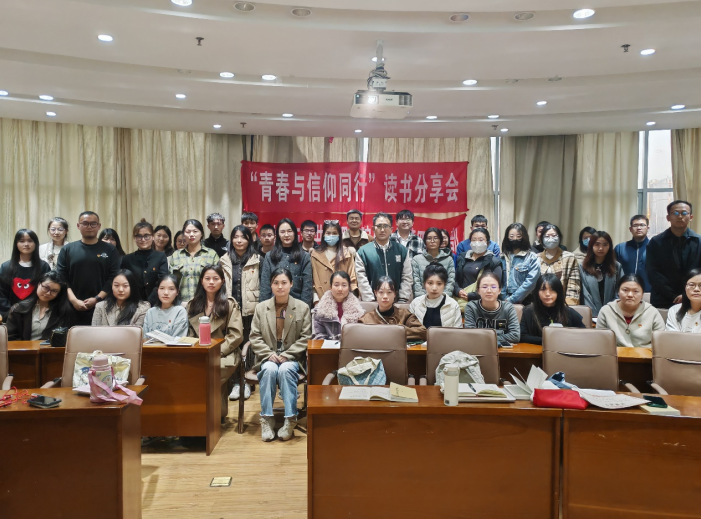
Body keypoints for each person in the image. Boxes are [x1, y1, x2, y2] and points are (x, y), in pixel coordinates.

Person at [250, 268, 311, 441]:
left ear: (291, 284)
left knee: (285, 369)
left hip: (292, 357)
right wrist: (269, 354)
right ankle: (267, 418)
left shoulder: (302, 308)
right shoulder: (261, 308)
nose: (280, 286)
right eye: (276, 283)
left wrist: (288, 354)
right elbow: (254, 336)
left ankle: (290, 419)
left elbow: (306, 337)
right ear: (271, 285)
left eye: (284, 282)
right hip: (268, 356)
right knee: (269, 369)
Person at [187, 265, 243, 418]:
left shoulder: (229, 304)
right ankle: (197, 415)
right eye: (207, 278)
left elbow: (236, 335)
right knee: (191, 372)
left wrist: (215, 351)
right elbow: (189, 334)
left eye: (215, 279)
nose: (211, 282)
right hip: (199, 352)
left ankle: (213, 415)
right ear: (201, 281)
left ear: (222, 281)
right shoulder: (192, 304)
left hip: (225, 352)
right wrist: (199, 352)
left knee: (212, 371)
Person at [56, 211, 121, 325]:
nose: (89, 227)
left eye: (93, 223)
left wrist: (97, 299)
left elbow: (113, 278)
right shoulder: (67, 249)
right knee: (74, 336)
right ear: (78, 226)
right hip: (72, 306)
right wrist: (74, 300)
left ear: (99, 226)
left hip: (103, 306)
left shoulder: (110, 250)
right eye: (85, 223)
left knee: (101, 336)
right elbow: (62, 278)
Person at [220, 225, 262, 401]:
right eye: (236, 237)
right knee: (233, 346)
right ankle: (236, 383)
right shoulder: (223, 260)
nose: (239, 240)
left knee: (248, 347)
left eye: (243, 237)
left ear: (249, 239)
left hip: (250, 310)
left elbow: (263, 285)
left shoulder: (258, 259)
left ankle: (246, 382)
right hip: (230, 311)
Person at [647, 200, 701, 309]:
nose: (680, 216)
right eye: (675, 213)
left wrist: (686, 294)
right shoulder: (656, 242)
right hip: (663, 299)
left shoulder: (699, 242)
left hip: (694, 297)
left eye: (684, 213)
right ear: (668, 217)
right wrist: (674, 295)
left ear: (691, 217)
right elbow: (653, 272)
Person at [356, 212, 413, 303]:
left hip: (397, 302)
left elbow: (407, 277)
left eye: (386, 226)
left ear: (391, 229)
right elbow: (361, 278)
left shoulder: (401, 250)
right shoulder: (363, 252)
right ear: (373, 229)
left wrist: (402, 299)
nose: (382, 230)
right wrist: (370, 301)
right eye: (379, 226)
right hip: (372, 302)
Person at [596, 274, 665, 348]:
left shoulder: (652, 312)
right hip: (615, 354)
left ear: (642, 294)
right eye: (625, 290)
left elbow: (661, 342)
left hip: (645, 354)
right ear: (618, 292)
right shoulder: (606, 311)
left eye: (636, 291)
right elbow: (600, 340)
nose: (630, 295)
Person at [259, 219, 313, 307]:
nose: (286, 235)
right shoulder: (269, 256)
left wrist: (304, 309)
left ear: (295, 233)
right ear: (278, 235)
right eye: (282, 232)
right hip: (273, 306)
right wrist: (264, 308)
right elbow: (265, 286)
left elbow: (307, 287)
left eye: (289, 231)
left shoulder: (304, 256)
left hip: (297, 306)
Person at [5, 271, 73, 341]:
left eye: (54, 291)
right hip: (22, 347)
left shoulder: (64, 311)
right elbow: (10, 337)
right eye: (46, 287)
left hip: (50, 348)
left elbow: (66, 338)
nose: (48, 293)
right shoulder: (19, 308)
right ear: (39, 284)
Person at [519, 274, 586, 345]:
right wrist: (548, 340)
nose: (547, 294)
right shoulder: (528, 311)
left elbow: (584, 334)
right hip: (537, 350)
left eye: (552, 289)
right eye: (543, 289)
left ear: (558, 292)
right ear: (537, 292)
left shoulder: (568, 312)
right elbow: (522, 336)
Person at [0, 229, 51, 322]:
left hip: (36, 316)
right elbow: (1, 293)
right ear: (16, 244)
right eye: (22, 241)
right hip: (10, 315)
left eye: (30, 241)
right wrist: (10, 312)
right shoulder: (6, 267)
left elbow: (47, 292)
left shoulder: (44, 267)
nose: (26, 244)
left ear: (36, 244)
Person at [359, 276, 426, 341]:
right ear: (375, 293)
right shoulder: (365, 319)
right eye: (381, 292)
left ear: (395, 294)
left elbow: (423, 332)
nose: (385, 296)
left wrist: (396, 331)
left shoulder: (404, 314)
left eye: (389, 292)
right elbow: (358, 337)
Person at [169, 219, 219, 302]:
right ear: (184, 234)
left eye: (195, 231)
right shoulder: (176, 255)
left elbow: (217, 281)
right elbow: (171, 282)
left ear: (201, 233)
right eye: (188, 232)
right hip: (181, 304)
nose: (191, 235)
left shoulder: (211, 254)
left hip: (205, 303)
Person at [464, 271, 520, 345]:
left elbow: (515, 336)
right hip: (478, 347)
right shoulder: (471, 307)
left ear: (499, 290)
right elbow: (470, 335)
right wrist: (497, 338)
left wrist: (485, 338)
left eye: (493, 287)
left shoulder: (508, 308)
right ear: (478, 291)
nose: (489, 290)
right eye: (484, 287)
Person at [120, 219, 169, 301]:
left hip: (156, 302)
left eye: (146, 236)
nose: (143, 240)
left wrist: (150, 302)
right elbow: (124, 282)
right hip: (133, 302)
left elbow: (162, 281)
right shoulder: (127, 259)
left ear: (152, 237)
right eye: (139, 236)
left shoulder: (160, 257)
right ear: (135, 238)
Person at [310, 220, 357, 302]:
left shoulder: (347, 254)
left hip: (344, 300)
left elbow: (352, 280)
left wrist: (350, 300)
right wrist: (316, 301)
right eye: (328, 233)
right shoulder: (315, 254)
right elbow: (313, 281)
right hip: (321, 300)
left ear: (339, 235)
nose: (331, 236)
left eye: (334, 233)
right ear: (323, 235)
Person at [311, 271, 365, 339]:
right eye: (336, 285)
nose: (340, 289)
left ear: (349, 287)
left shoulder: (358, 311)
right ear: (330, 287)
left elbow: (360, 335)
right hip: (327, 345)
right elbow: (318, 335)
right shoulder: (319, 310)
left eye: (344, 285)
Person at [454, 227, 502, 304]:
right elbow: (455, 279)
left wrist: (472, 296)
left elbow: (496, 286)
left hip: (483, 303)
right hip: (461, 301)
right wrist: (457, 290)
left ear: (487, 243)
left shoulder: (494, 262)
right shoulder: (463, 258)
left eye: (481, 240)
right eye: (474, 240)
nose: (477, 243)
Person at [580, 231, 622, 317]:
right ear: (591, 246)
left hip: (612, 313)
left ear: (609, 246)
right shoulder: (583, 266)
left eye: (605, 245)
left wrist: (610, 310)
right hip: (590, 314)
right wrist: (593, 313)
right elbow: (585, 293)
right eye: (597, 244)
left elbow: (620, 290)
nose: (601, 248)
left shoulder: (616, 266)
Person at [537, 224, 581, 306]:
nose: (551, 238)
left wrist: (569, 305)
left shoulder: (569, 257)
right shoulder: (536, 258)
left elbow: (574, 284)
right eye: (547, 236)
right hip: (540, 304)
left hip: (562, 304)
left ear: (560, 237)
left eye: (554, 235)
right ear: (542, 239)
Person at [409, 264, 462, 328]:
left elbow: (458, 331)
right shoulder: (415, 304)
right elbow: (410, 329)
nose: (434, 288)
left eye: (439, 284)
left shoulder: (453, 305)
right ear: (424, 284)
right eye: (430, 283)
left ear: (444, 285)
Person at [501, 223, 540, 304]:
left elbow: (531, 282)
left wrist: (512, 299)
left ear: (524, 237)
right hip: (503, 300)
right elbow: (498, 280)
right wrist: (504, 298)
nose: (515, 239)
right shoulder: (502, 257)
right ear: (507, 237)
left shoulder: (532, 257)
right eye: (511, 236)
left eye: (518, 236)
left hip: (525, 299)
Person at [411, 227, 455, 297]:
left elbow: (450, 282)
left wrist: (443, 298)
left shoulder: (449, 260)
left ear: (440, 240)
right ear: (425, 241)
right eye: (429, 238)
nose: (432, 241)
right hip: (422, 300)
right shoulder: (416, 259)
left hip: (443, 299)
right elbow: (416, 283)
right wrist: (424, 299)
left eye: (435, 238)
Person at [614, 215, 651, 292]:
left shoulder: (654, 247)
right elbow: (613, 272)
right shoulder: (620, 248)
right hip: (625, 292)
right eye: (635, 225)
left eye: (642, 225)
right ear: (630, 229)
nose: (639, 228)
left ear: (647, 228)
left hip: (648, 292)